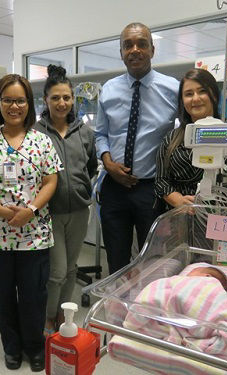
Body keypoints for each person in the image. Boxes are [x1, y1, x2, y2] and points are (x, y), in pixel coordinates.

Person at [0, 74, 62, 372]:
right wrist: (1, 210)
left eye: (20, 100)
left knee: (33, 295)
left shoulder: (42, 141)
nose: (14, 106)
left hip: (34, 233)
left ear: (30, 104)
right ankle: (11, 348)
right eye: (8, 100)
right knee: (2, 295)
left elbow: (52, 180)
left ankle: (35, 347)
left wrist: (32, 209)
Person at [95, 22, 179, 275]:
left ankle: (146, 311)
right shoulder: (108, 89)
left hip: (151, 189)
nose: (135, 50)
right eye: (127, 45)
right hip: (113, 187)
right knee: (116, 260)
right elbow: (100, 134)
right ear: (121, 52)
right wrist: (108, 163)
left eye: (141, 44)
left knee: (152, 259)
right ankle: (117, 311)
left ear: (152, 50)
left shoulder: (173, 89)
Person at [33, 65, 98, 335]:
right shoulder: (35, 132)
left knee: (71, 268)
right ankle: (48, 316)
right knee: (57, 271)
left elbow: (91, 167)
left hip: (79, 210)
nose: (62, 103)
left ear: (73, 100)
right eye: (55, 98)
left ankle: (63, 312)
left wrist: (82, 190)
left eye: (67, 98)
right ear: (45, 100)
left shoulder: (84, 133)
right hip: (50, 213)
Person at [155, 68, 227, 213]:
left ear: (214, 95)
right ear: (182, 101)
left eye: (202, 91)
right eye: (189, 94)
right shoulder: (171, 139)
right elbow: (161, 180)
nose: (195, 98)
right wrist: (178, 200)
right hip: (184, 220)